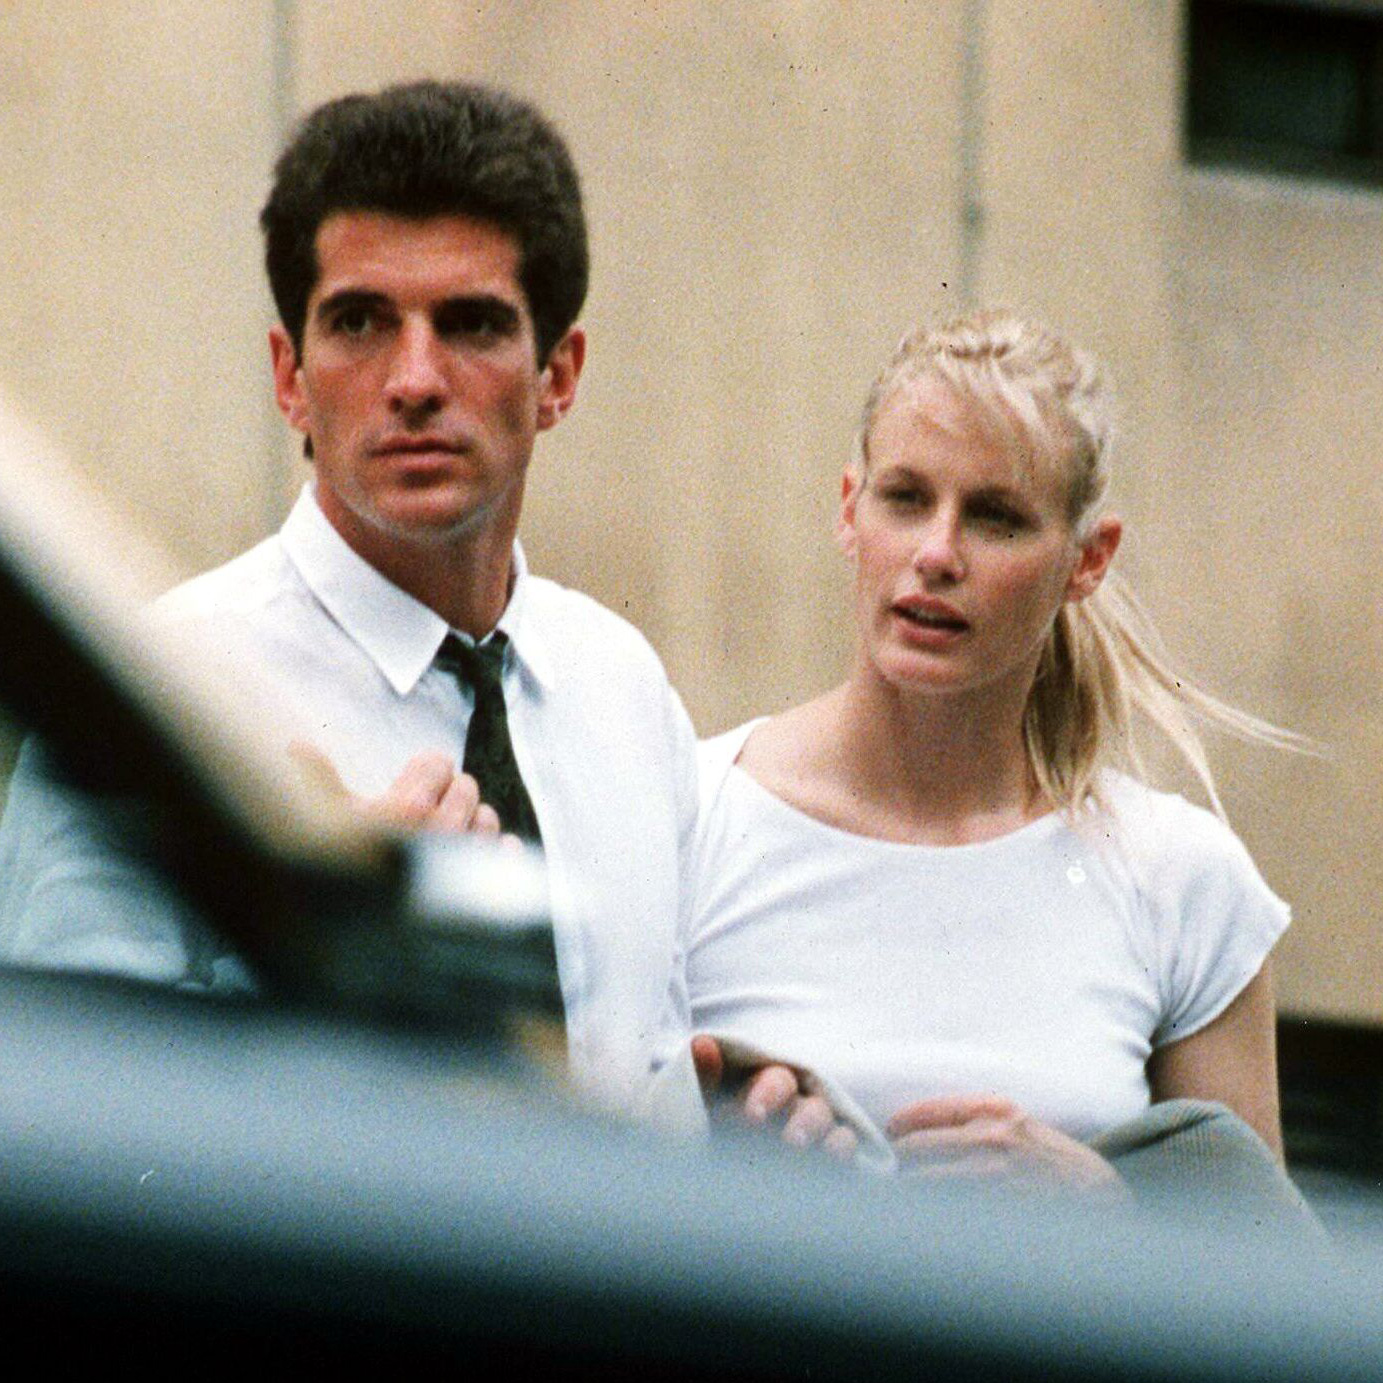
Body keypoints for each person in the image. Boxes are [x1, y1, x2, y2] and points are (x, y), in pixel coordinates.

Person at [0, 81, 710, 1128]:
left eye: (470, 324)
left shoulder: (624, 690)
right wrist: (314, 955)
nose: (414, 379)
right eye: (360, 322)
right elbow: (69, 1131)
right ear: (290, 376)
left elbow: (654, 1086)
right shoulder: (157, 705)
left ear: (558, 375)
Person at [685, 311, 1297, 1186]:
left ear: (1088, 559)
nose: (936, 554)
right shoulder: (688, 814)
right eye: (905, 498)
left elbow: (1262, 1264)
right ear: (848, 508)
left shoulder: (1177, 879)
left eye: (996, 518)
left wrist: (1102, 1212)